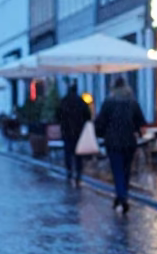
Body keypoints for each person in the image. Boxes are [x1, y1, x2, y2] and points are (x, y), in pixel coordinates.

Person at [94, 76, 146, 214]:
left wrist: (101, 134)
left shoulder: (108, 102)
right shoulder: (132, 102)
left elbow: (100, 123)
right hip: (129, 141)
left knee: (117, 170)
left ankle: (122, 196)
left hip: (113, 142)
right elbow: (140, 122)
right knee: (126, 170)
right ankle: (121, 195)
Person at [58, 82, 92, 186]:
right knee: (78, 154)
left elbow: (57, 115)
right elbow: (88, 116)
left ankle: (69, 171)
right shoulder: (81, 102)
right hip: (79, 132)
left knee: (68, 152)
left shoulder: (64, 101)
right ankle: (78, 173)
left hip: (66, 131)